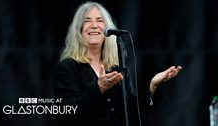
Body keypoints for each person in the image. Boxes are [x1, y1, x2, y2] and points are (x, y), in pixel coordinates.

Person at [53, 1, 182, 126]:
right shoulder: (67, 68)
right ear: (78, 29)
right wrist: (98, 89)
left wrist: (152, 86)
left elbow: (135, 112)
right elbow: (68, 114)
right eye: (87, 21)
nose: (94, 25)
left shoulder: (116, 67)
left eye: (99, 20)